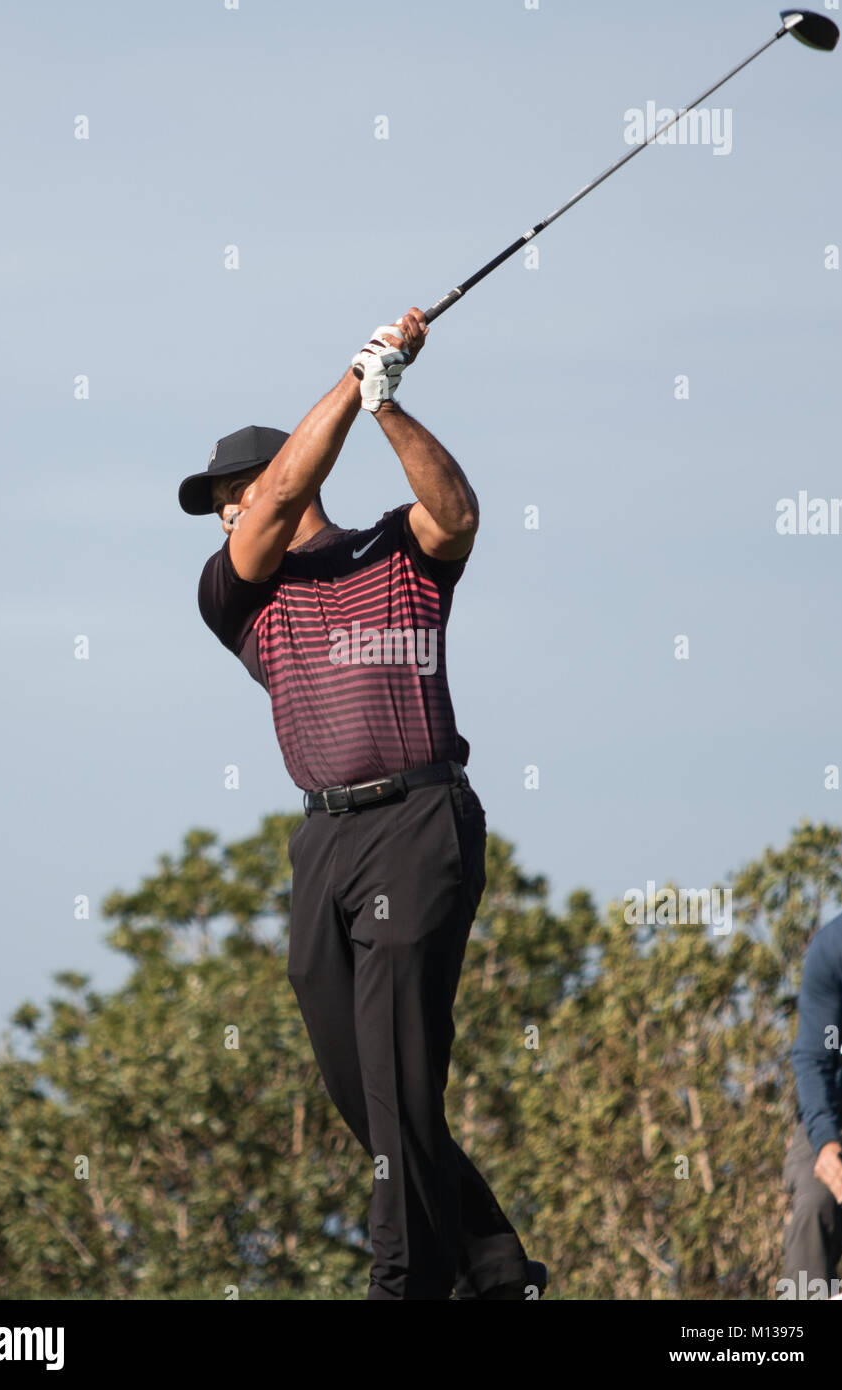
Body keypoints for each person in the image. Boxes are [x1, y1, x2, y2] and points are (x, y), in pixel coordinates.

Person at [178, 309, 545, 1300]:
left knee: (394, 1068)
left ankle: (403, 1282)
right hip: (322, 844)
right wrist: (352, 377)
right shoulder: (237, 592)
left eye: (229, 495)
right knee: (371, 1088)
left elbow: (456, 511)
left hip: (416, 827)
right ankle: (495, 1265)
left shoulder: (398, 551)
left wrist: (384, 401)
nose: (223, 516)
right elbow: (280, 495)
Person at [782, 905, 842, 1298]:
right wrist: (826, 1145)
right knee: (812, 1207)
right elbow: (813, 1058)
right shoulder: (833, 947)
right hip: (838, 1123)